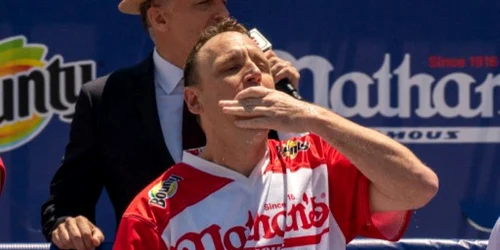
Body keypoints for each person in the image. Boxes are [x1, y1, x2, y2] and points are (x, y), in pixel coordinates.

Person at [112, 18, 439, 250]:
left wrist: (313, 117)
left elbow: (419, 186)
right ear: (194, 100)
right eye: (231, 67)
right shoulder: (154, 213)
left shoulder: (317, 161)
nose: (253, 72)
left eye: (261, 66)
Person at [41, 0, 301, 249]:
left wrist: (292, 111)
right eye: (204, 3)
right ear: (160, 18)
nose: (224, 13)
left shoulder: (260, 85)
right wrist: (69, 225)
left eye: (222, 1)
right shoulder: (106, 98)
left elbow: (308, 180)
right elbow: (67, 202)